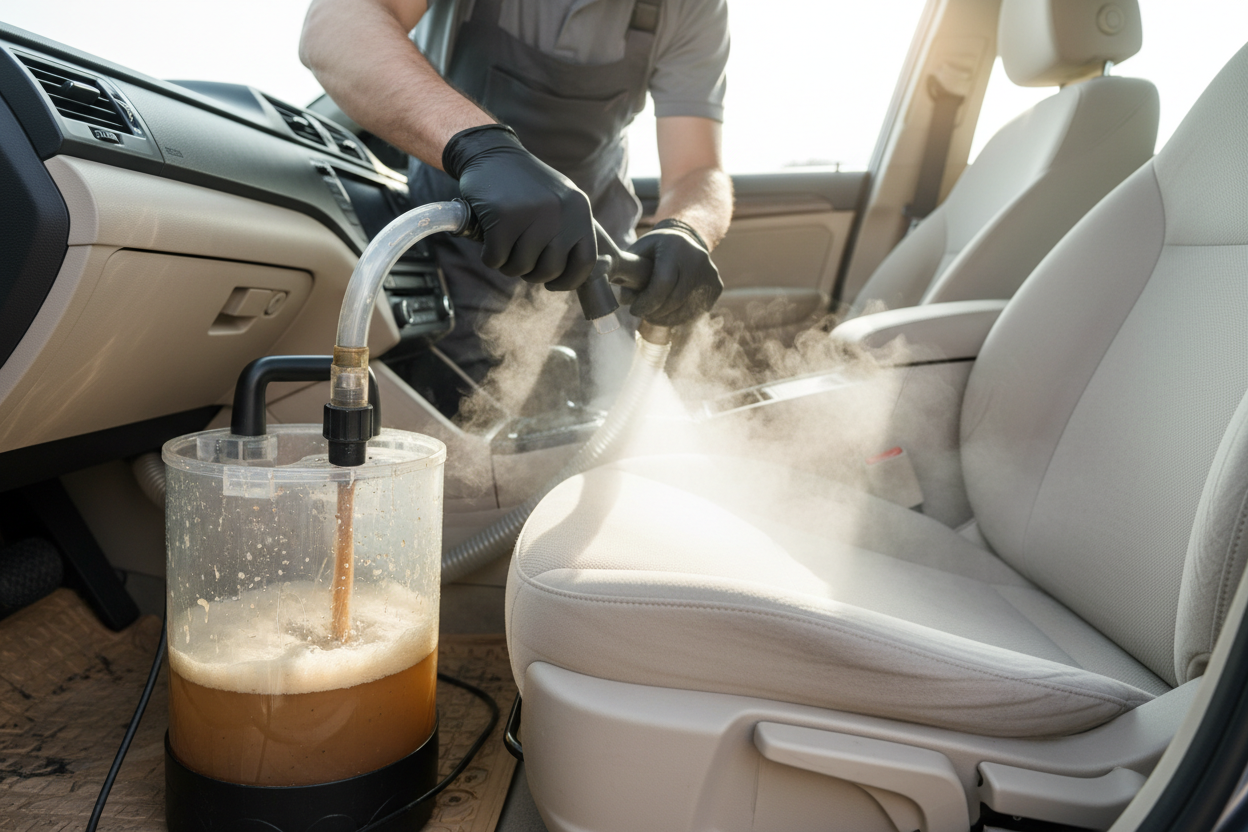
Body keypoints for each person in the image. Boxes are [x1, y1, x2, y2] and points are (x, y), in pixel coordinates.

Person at [300, 0, 733, 412]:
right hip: (455, 270)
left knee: (611, 441)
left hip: (598, 273)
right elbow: (334, 25)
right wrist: (481, 148)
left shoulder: (690, 8)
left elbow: (697, 168)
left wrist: (689, 227)